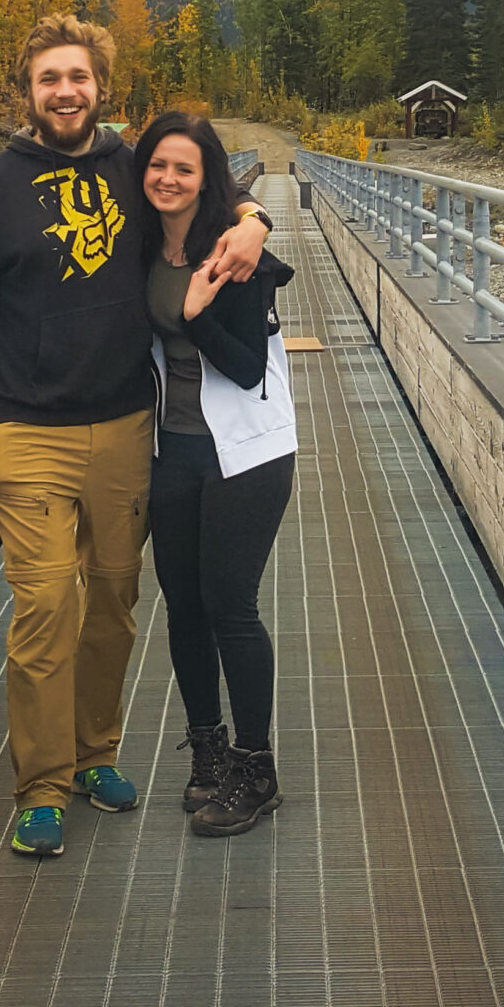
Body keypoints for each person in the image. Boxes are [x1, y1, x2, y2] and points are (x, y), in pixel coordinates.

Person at [0, 15, 268, 858]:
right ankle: (40, 786)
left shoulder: (130, 169)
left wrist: (256, 220)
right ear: (28, 90)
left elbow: (210, 185)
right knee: (46, 605)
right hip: (25, 428)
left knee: (114, 600)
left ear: (100, 86)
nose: (65, 91)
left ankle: (95, 754)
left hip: (125, 426)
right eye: (49, 78)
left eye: (77, 76)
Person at [132, 111, 297, 836]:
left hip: (248, 451)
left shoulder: (238, 255)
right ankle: (207, 752)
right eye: (157, 165)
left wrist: (198, 316)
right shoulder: (138, 246)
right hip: (174, 451)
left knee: (231, 604)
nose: (168, 179)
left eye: (185, 168)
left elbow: (247, 364)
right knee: (183, 605)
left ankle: (255, 767)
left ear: (209, 179)